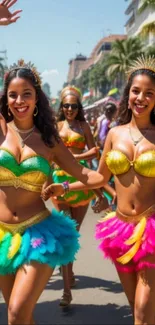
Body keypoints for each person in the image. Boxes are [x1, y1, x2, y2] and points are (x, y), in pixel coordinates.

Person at [42, 55, 155, 325]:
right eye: (136, 91)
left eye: (149, 93)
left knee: (142, 310)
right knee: (132, 303)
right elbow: (99, 177)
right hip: (121, 229)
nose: (141, 98)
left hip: (151, 229)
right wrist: (65, 185)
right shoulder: (115, 134)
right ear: (128, 95)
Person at [51, 85, 107, 306]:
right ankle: (66, 290)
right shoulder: (55, 127)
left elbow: (95, 153)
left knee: (73, 232)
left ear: (78, 107)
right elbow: (52, 155)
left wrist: (77, 159)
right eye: (66, 105)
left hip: (80, 182)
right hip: (59, 181)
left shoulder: (84, 126)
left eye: (74, 106)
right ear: (61, 106)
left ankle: (69, 270)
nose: (70, 109)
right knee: (66, 233)